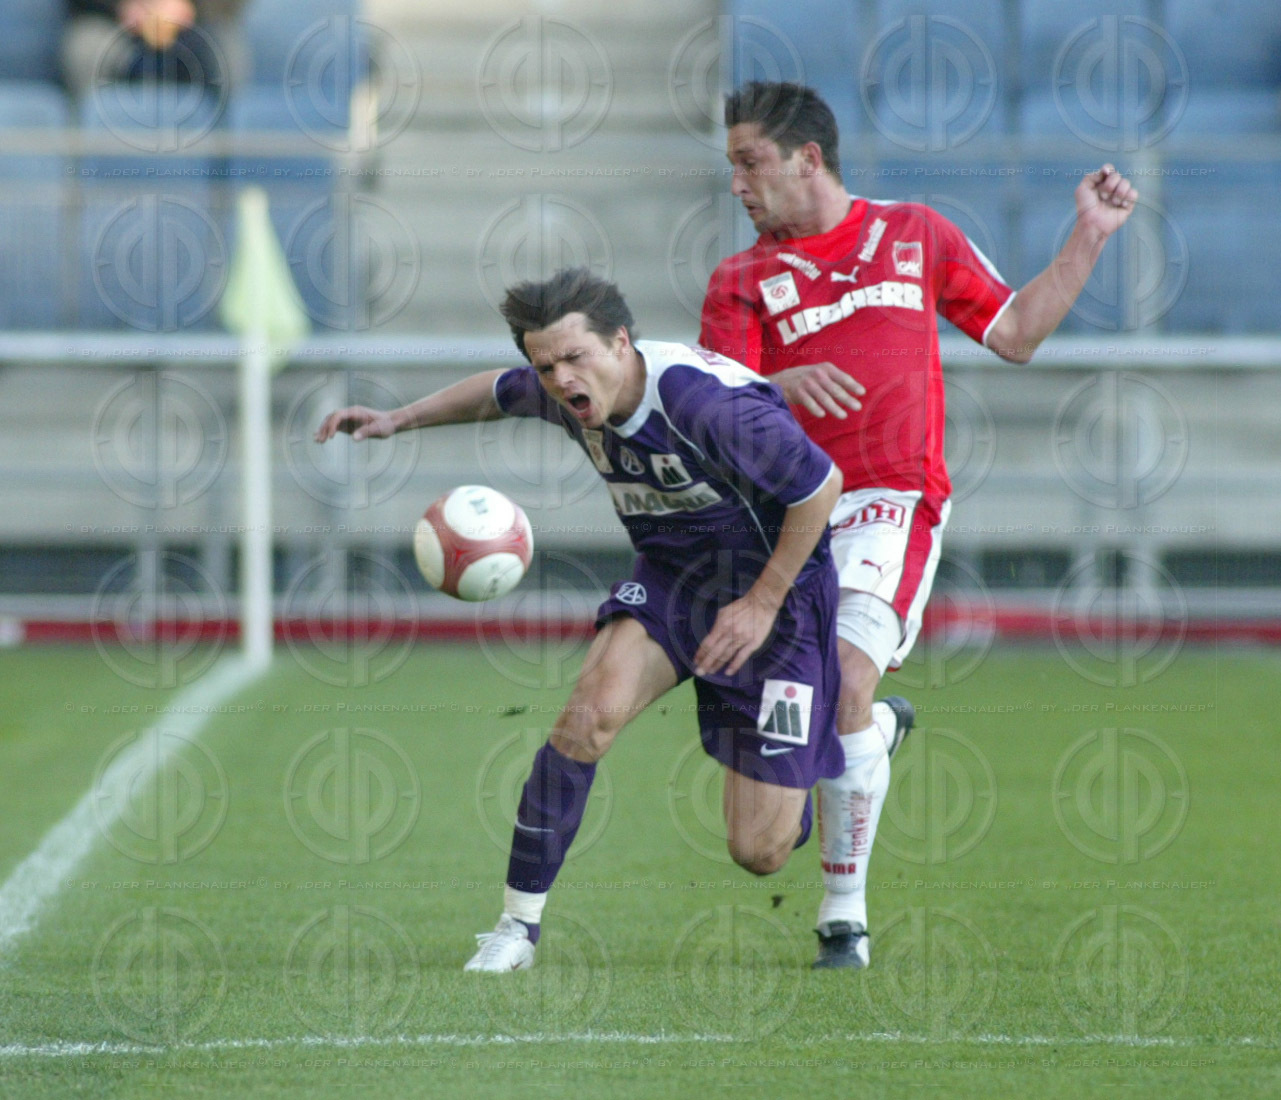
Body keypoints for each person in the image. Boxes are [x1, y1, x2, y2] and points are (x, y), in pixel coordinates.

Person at [314, 268, 907, 972]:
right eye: (547, 365)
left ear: (620, 343)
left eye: (575, 358)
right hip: (670, 584)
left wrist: (760, 603)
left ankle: (864, 734)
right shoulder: (564, 389)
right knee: (586, 716)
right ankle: (515, 927)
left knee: (760, 852)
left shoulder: (704, 406)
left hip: (776, 602)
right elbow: (497, 391)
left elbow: (819, 488)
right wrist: (396, 420)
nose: (561, 379)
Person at [699, 81, 1138, 969]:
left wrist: (1087, 233)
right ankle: (875, 737)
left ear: (806, 159)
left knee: (845, 678)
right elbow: (714, 408)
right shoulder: (739, 280)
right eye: (731, 166)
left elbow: (1014, 333)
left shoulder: (914, 234)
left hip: (889, 504)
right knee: (755, 847)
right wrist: (779, 387)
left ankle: (841, 919)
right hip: (788, 523)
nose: (737, 184)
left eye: (749, 163)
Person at [62, 0, 248, 101]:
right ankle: (91, 156)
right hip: (112, 24)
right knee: (85, 50)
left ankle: (229, 159)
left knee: (229, 54)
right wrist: (123, 6)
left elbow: (230, 6)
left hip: (196, 26)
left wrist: (190, 7)